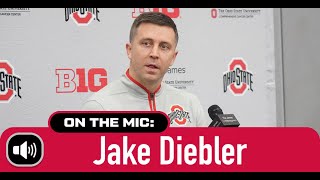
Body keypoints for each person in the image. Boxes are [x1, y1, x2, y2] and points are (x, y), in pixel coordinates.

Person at [82, 12, 210, 127]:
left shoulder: (190, 103)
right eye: (146, 44)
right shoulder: (99, 106)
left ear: (173, 57)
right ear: (129, 50)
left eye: (164, 47)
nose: (154, 53)